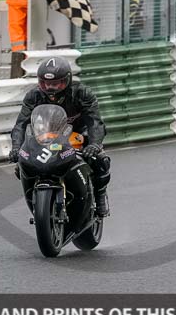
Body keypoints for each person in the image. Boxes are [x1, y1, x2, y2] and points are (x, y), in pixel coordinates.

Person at [9, 55, 111, 217]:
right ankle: (35, 197)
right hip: (47, 134)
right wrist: (16, 147)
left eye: (56, 83)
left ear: (67, 80)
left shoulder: (82, 93)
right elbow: (20, 124)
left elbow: (95, 122)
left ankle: (99, 196)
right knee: (22, 163)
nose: (50, 88)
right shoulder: (33, 96)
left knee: (100, 160)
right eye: (45, 83)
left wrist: (94, 144)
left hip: (78, 134)